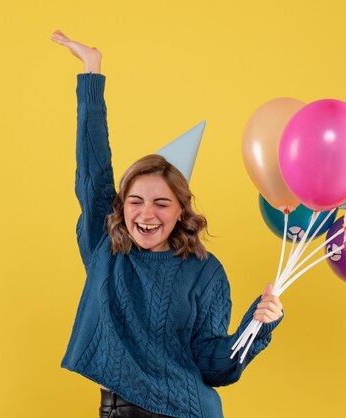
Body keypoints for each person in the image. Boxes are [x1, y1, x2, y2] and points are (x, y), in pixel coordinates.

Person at [50, 29, 284, 418]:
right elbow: (93, 169)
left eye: (161, 203)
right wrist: (92, 70)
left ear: (181, 211)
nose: (146, 214)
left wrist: (257, 326)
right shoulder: (105, 248)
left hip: (187, 411)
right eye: (135, 202)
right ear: (121, 207)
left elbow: (214, 367)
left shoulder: (205, 272)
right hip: (118, 410)